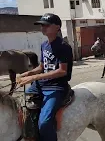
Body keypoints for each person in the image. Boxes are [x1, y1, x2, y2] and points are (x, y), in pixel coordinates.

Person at [17, 13, 73, 141]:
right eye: (41, 25)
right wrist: (28, 74)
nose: (43, 28)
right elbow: (42, 66)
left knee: (45, 123)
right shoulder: (44, 45)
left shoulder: (64, 47)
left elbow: (62, 71)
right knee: (22, 105)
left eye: (46, 25)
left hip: (56, 87)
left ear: (57, 27)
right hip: (41, 84)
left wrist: (34, 78)